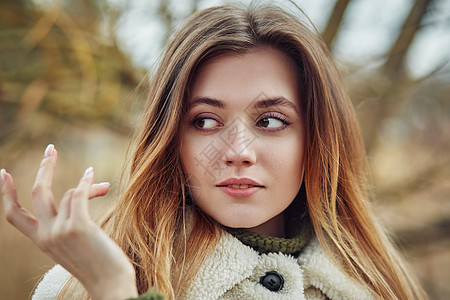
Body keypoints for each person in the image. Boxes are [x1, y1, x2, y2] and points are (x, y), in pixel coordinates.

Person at [1, 3, 427, 300]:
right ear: (171, 140)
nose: (238, 152)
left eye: (271, 121)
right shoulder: (79, 286)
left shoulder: (377, 284)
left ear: (316, 139)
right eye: (205, 121)